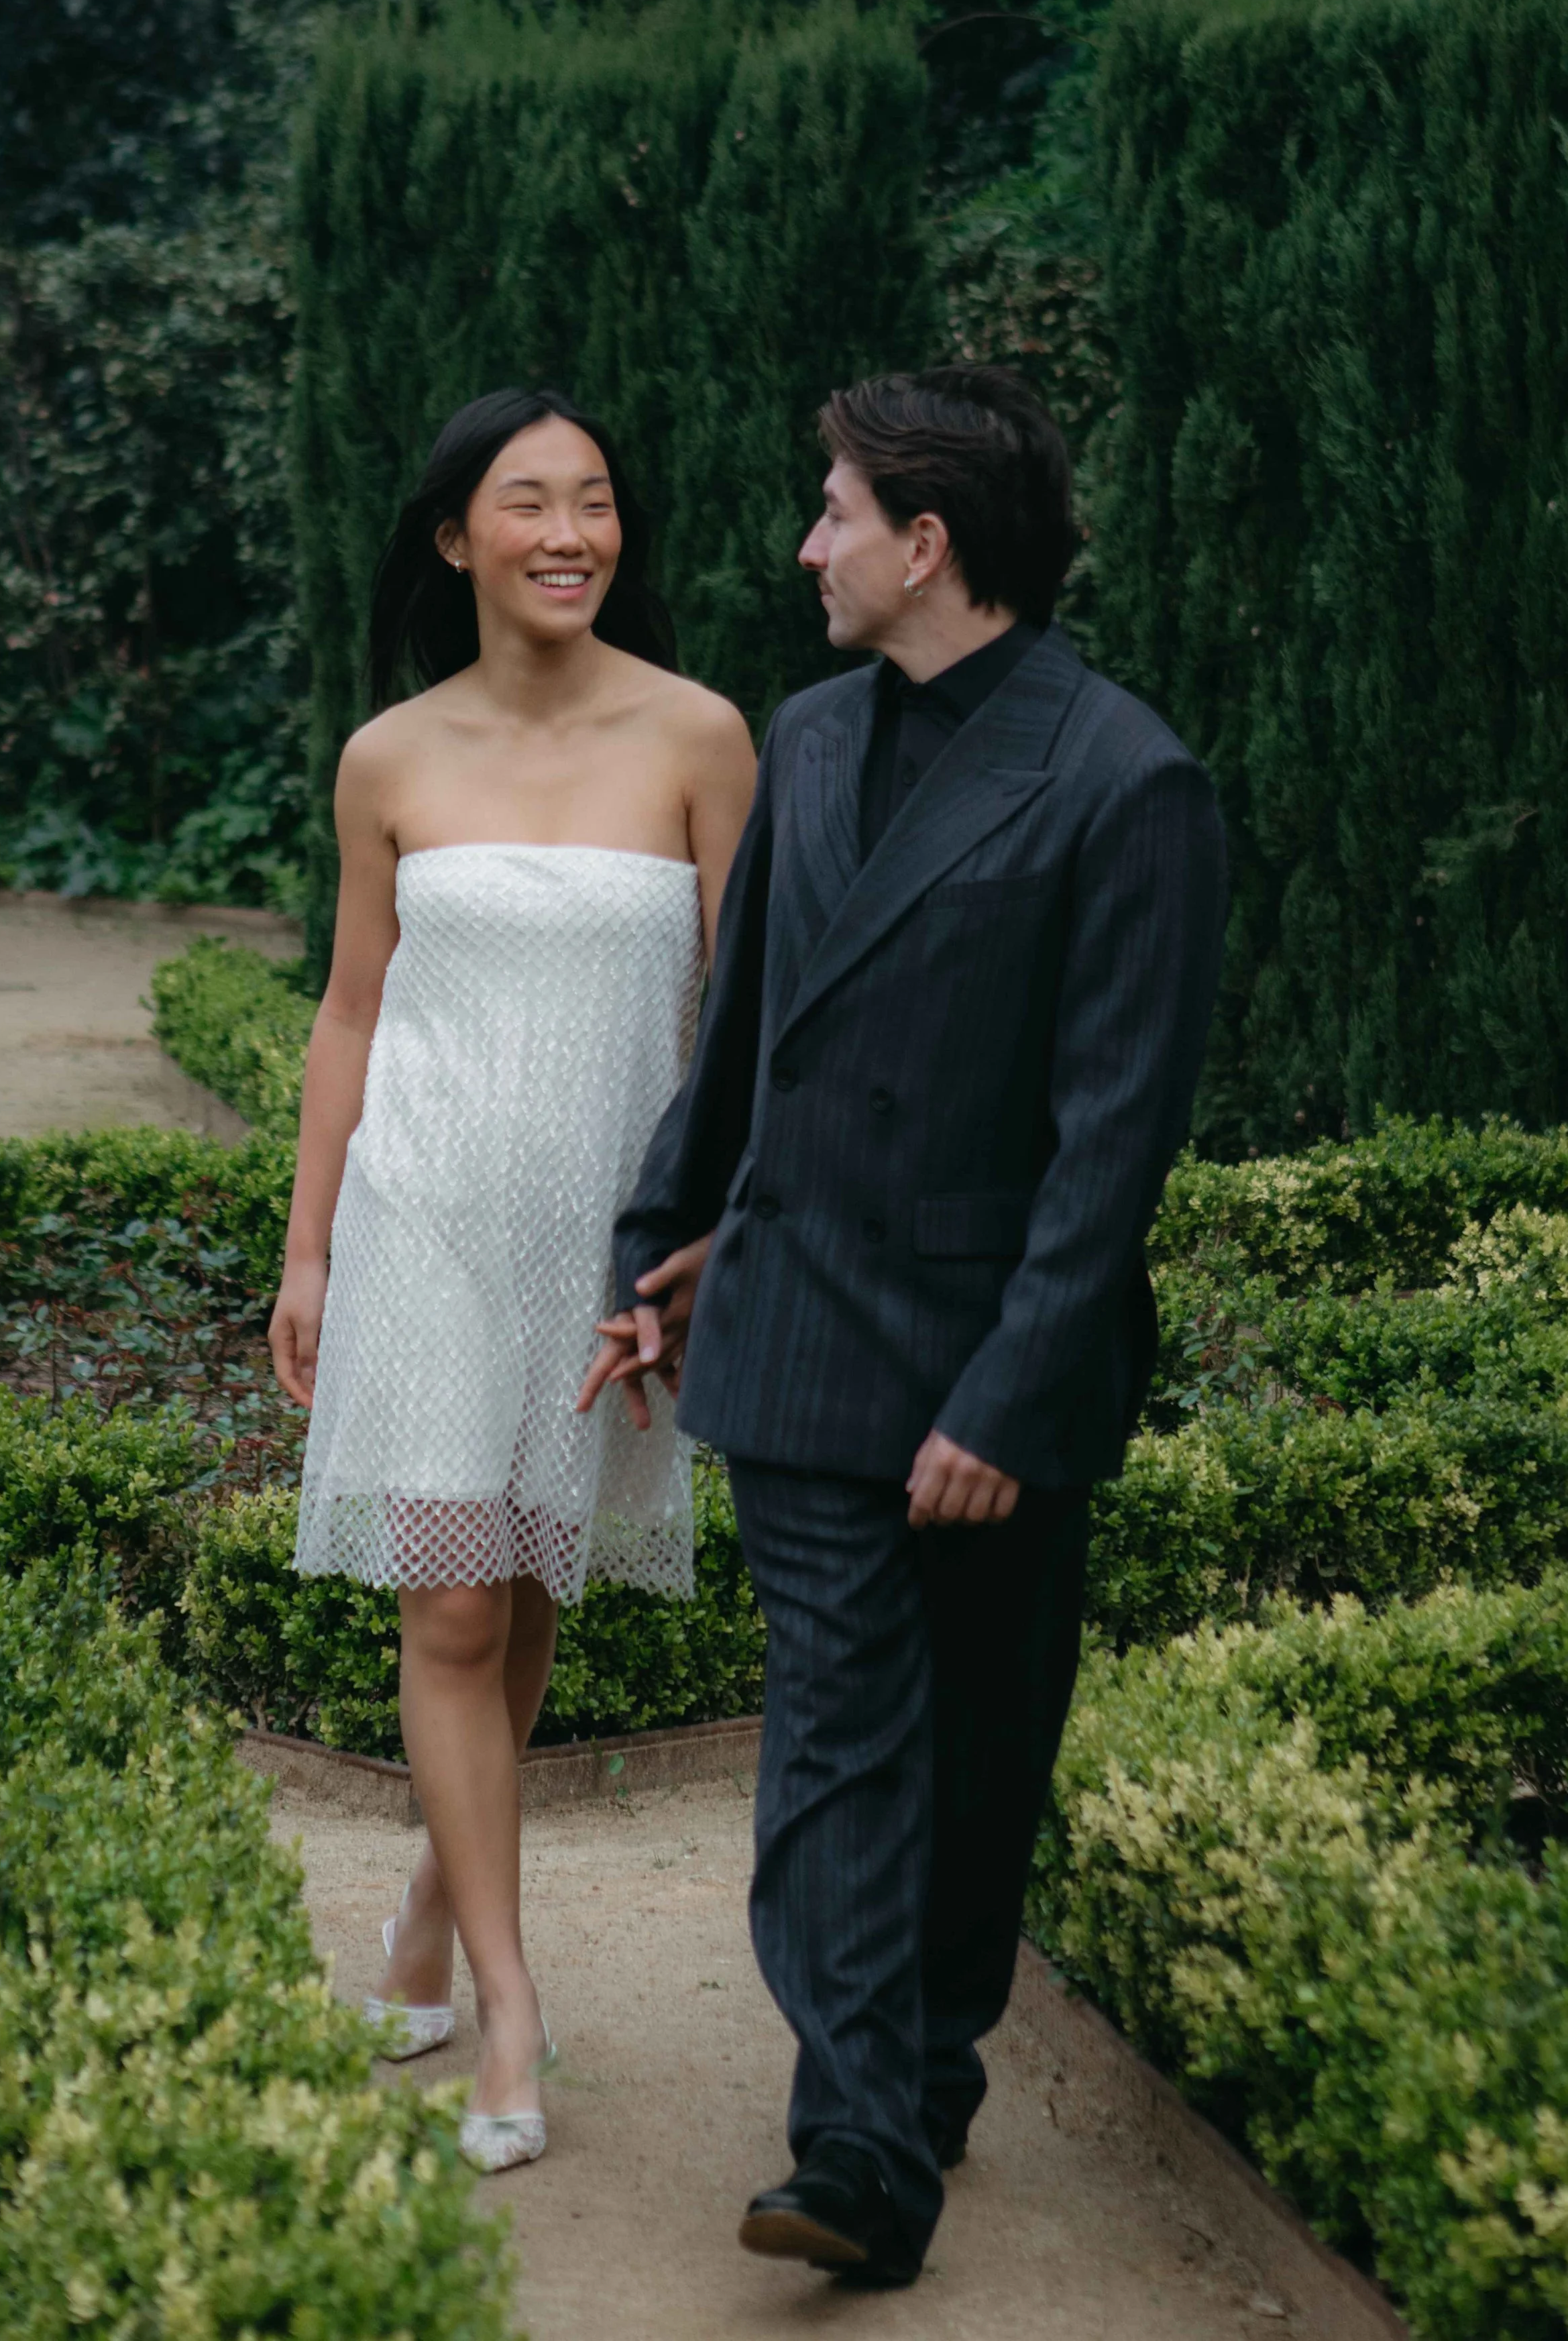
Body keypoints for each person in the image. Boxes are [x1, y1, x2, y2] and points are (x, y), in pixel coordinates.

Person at [580, 366, 1227, 2282]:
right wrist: (664, 1235)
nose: (807, 545)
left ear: (928, 543)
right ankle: (858, 2153)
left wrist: (1008, 1398)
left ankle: (918, 2060)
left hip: (992, 1371)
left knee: (979, 1757)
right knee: (844, 1741)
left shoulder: (1128, 780)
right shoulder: (810, 732)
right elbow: (750, 1028)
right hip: (799, 1340)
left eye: (836, 511)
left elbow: (1112, 1144)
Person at [271, 385, 757, 2174]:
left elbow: (746, 1019)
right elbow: (349, 1007)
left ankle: (423, 1902)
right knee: (452, 1611)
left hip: (604, 1243)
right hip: (426, 1227)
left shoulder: (702, 736)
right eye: (528, 501)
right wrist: (310, 1242)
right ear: (453, 535)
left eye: (597, 501)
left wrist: (712, 1233)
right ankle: (510, 1991)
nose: (570, 533)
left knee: (532, 1577)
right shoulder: (389, 757)